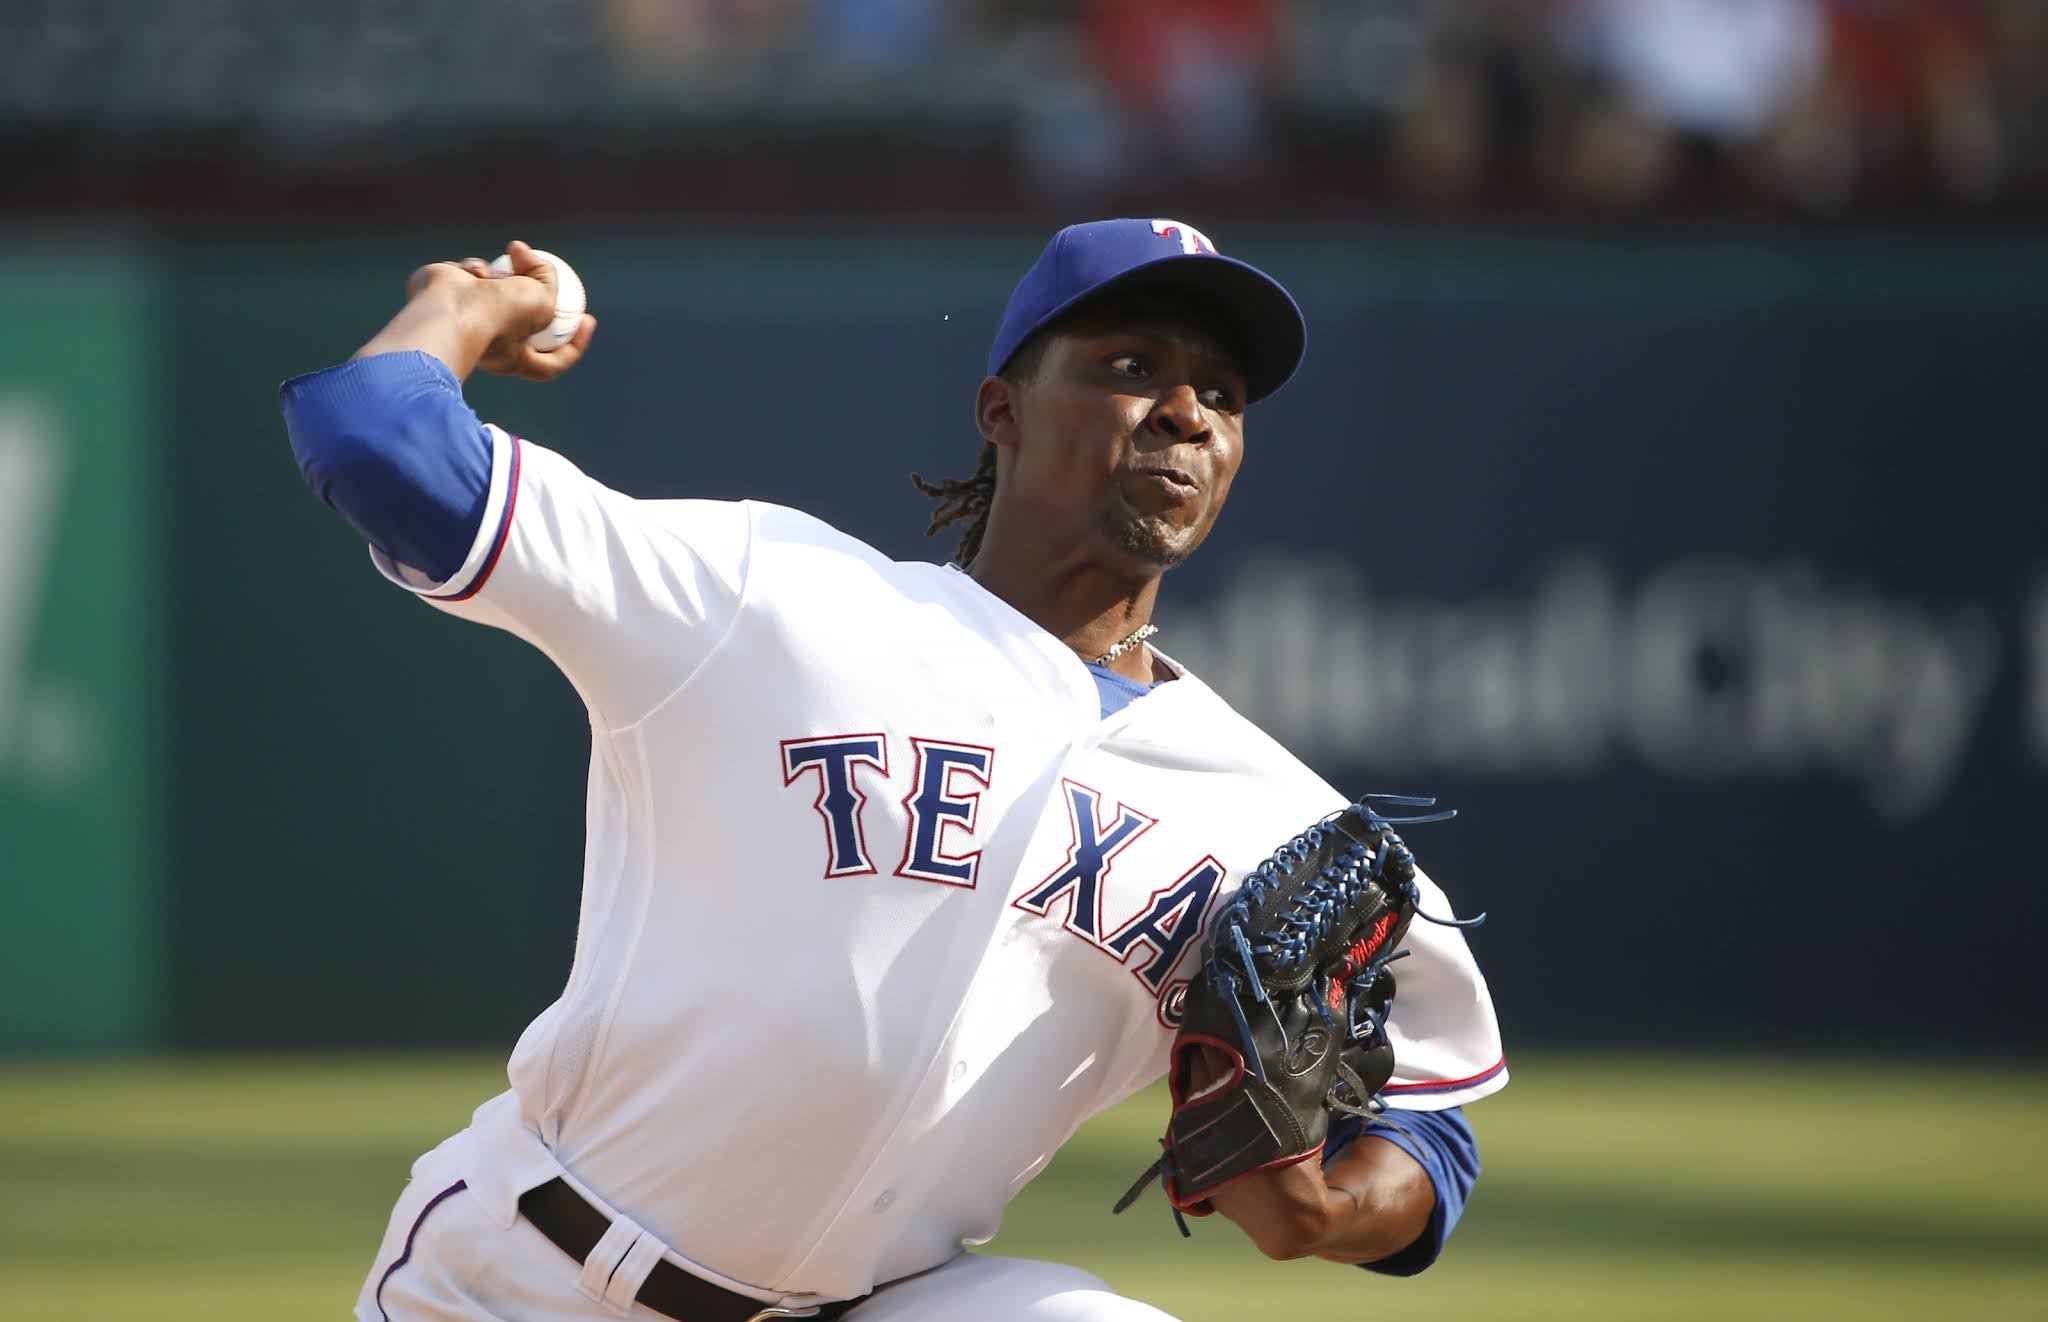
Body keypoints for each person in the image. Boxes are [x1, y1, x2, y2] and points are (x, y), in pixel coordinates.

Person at [280, 219, 1507, 1322]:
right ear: (1001, 410)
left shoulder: (1270, 815)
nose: (1184, 412)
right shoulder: (767, 594)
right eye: (1129, 365)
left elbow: (1433, 1120)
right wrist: (462, 306)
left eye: (1221, 394)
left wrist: (1331, 1209)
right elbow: (375, 440)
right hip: (532, 1275)